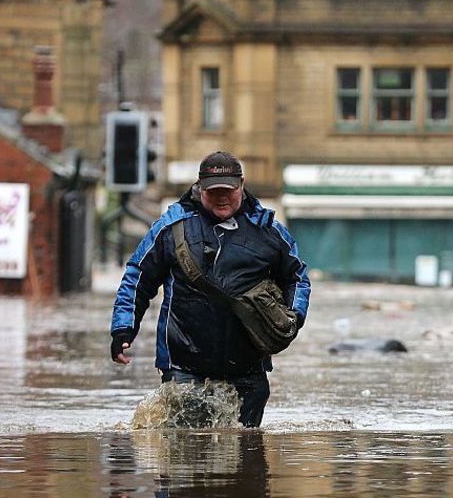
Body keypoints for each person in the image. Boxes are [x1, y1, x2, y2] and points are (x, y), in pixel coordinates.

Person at [109, 151, 311, 427]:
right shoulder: (172, 227)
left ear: (242, 185)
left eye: (228, 190)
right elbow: (138, 277)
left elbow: (297, 277)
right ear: (199, 188)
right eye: (213, 191)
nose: (222, 198)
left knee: (246, 455)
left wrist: (294, 316)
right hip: (183, 364)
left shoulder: (270, 231)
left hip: (248, 368)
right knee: (184, 454)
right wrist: (123, 329)